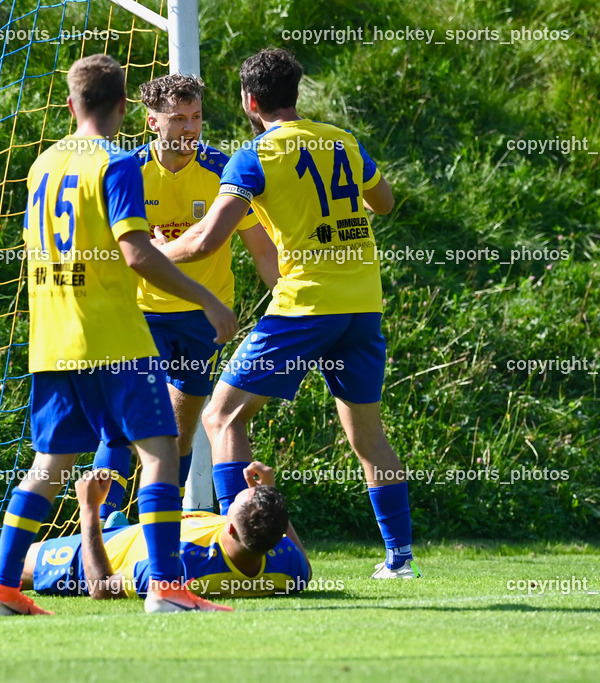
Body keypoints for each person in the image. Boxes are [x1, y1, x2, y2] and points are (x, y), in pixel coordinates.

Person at [0, 54, 239, 616]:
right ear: (126, 107)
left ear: (72, 104)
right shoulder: (115, 164)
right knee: (161, 451)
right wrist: (207, 298)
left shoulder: (42, 165)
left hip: (51, 342)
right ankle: (167, 588)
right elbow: (137, 253)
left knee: (48, 466)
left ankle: (2, 588)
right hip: (114, 339)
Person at [157, 48, 420, 579]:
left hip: (306, 305)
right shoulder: (342, 141)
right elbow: (385, 202)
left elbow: (208, 240)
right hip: (363, 303)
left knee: (222, 416)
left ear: (249, 101)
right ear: (295, 95)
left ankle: (245, 550)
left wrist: (149, 254)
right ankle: (400, 559)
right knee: (367, 434)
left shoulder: (254, 156)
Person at [92, 73, 279, 518]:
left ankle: (162, 524)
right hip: (141, 314)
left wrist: (287, 302)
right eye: (178, 119)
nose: (190, 128)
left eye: (196, 117)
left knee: (180, 429)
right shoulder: (127, 173)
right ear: (153, 123)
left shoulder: (222, 171)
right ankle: (101, 522)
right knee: (124, 423)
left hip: (202, 320)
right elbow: (104, 252)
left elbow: (260, 248)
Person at [0, 462, 310, 601]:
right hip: (135, 539)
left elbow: (101, 587)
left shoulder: (182, 568)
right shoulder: (287, 566)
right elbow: (302, 560)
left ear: (231, 525)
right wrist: (267, 494)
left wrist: (86, 510)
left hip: (92, 560)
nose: (232, 495)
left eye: (233, 500)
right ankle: (116, 521)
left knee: (4, 570)